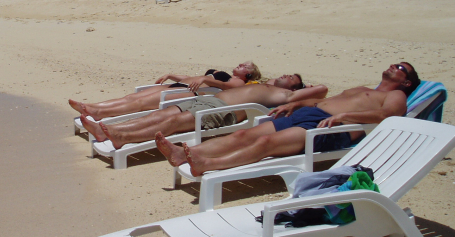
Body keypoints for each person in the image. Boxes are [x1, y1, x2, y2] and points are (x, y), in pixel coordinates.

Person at [156, 62, 420, 176]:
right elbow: (323, 101)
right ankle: (185, 153)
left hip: (332, 127)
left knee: (265, 145)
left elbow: (388, 115)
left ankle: (208, 164)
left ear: (406, 81)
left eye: (400, 68)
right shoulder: (362, 89)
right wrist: (296, 104)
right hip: (310, 114)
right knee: (243, 135)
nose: (393, 66)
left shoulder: (396, 95)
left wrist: (346, 116)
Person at [82, 74, 327, 149]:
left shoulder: (285, 95)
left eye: (291, 78)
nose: (285, 75)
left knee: (173, 123)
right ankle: (111, 130)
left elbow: (323, 89)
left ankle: (123, 137)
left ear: (295, 88)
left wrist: (304, 90)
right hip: (211, 100)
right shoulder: (265, 86)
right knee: (159, 115)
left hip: (224, 110)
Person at [70, 62, 261, 120]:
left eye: (245, 66)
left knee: (139, 103)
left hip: (188, 92)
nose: (240, 64)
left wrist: (205, 79)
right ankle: (94, 107)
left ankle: (99, 113)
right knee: (132, 97)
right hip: (182, 85)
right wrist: (171, 75)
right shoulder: (225, 75)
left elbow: (225, 88)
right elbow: (191, 77)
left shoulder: (239, 83)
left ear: (248, 74)